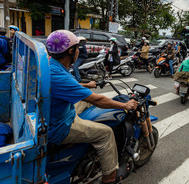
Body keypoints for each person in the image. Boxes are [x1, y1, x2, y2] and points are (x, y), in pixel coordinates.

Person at [46, 30, 137, 184]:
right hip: (59, 126)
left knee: (85, 100)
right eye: (77, 48)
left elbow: (67, 86)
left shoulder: (51, 65)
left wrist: (86, 85)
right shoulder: (59, 75)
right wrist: (125, 104)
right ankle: (109, 177)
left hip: (55, 113)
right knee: (106, 133)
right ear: (71, 51)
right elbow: (98, 101)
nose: (79, 51)